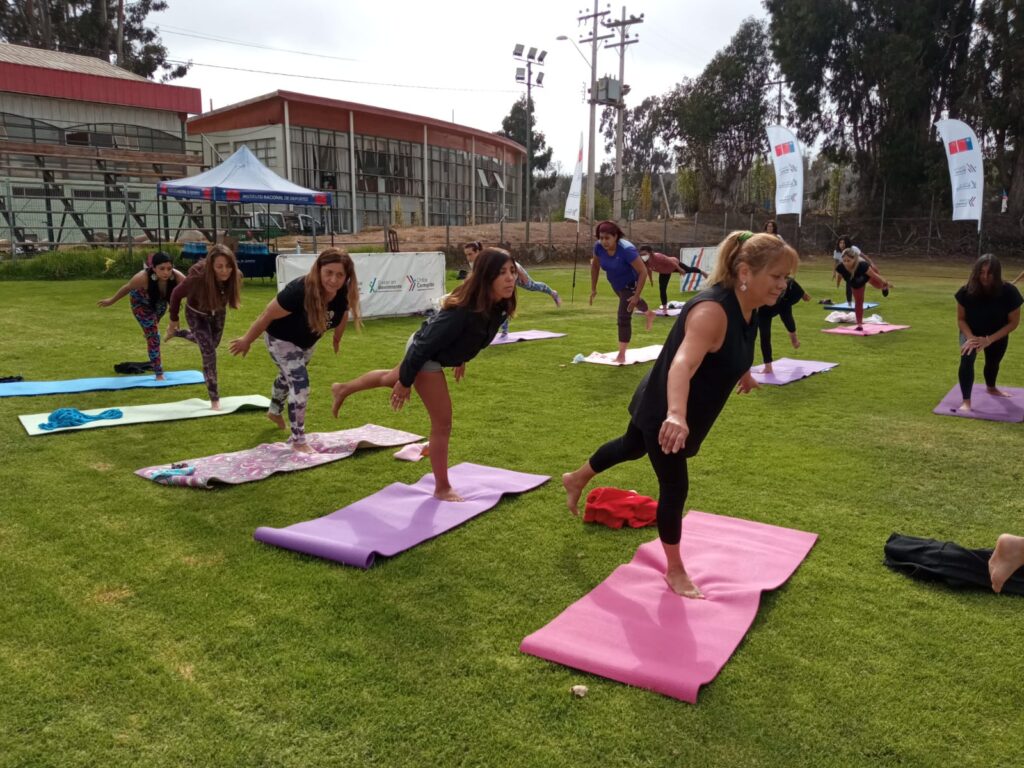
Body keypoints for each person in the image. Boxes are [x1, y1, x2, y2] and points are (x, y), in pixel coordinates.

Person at [563, 231, 798, 598]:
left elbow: (732, 347)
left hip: (662, 399)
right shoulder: (712, 311)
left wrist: (745, 373)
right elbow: (681, 365)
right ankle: (674, 570)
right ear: (745, 272)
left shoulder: (748, 307)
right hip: (666, 407)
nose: (783, 286)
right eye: (777, 277)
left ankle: (576, 478)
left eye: (787, 278)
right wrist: (675, 414)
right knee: (675, 486)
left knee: (630, 446)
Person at [331, 247, 517, 501]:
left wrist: (461, 358)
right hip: (425, 353)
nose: (510, 278)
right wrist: (406, 382)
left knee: (388, 378)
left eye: (512, 271)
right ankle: (442, 488)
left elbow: (474, 336)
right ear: (486, 277)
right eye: (502, 273)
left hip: (430, 349)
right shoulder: (462, 311)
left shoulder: (499, 304)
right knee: (443, 422)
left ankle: (342, 388)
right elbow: (424, 345)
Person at [229, 248, 361, 452]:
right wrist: (247, 339)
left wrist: (337, 338)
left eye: (340, 274)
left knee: (287, 376)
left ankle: (274, 411)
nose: (334, 279)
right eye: (329, 272)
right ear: (318, 270)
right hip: (281, 339)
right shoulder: (298, 290)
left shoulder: (342, 291)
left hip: (307, 342)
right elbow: (267, 315)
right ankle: (298, 441)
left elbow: (343, 314)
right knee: (300, 384)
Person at [166, 245, 243, 410]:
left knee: (212, 344)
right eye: (219, 267)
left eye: (228, 266)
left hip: (218, 312)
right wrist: (173, 319)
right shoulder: (197, 277)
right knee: (209, 352)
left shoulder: (235, 276)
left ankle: (178, 333)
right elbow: (176, 294)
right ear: (211, 266)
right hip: (196, 314)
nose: (225, 271)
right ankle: (214, 399)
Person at [97, 251, 186, 381]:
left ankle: (149, 332)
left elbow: (191, 289)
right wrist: (111, 300)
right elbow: (126, 288)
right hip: (140, 304)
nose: (166, 272)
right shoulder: (142, 277)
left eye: (169, 268)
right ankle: (159, 373)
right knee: (154, 336)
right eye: (161, 269)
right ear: (153, 268)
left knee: (152, 329)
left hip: (159, 303)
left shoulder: (178, 277)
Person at [954, 254, 1022, 411]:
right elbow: (961, 320)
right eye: (981, 272)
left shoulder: (1009, 292)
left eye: (990, 273)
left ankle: (991, 387)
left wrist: (989, 340)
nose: (985, 277)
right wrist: (971, 338)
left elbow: (1013, 323)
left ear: (997, 274)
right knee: (967, 358)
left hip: (997, 333)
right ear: (976, 272)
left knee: (993, 362)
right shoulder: (965, 292)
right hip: (971, 331)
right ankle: (966, 401)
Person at [590, 220, 655, 363]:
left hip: (631, 282)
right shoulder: (598, 248)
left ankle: (621, 355)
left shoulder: (627, 250)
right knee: (631, 302)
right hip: (616, 284)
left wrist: (637, 294)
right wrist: (593, 288)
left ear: (616, 237)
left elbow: (643, 271)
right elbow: (595, 266)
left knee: (623, 317)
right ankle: (649, 313)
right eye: (601, 238)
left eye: (607, 238)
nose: (604, 241)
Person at [464, 240, 558, 336]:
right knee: (500, 301)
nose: (468, 258)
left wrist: (522, 275)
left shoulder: (489, 255)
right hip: (501, 281)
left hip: (514, 273)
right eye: (466, 255)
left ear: (477, 251)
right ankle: (504, 331)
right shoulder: (473, 263)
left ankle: (552, 293)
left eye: (470, 254)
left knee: (531, 286)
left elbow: (509, 262)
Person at [757, 277, 811, 374]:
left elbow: (802, 293)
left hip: (782, 304)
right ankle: (768, 366)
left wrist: (804, 295)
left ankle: (794, 338)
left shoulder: (789, 284)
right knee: (764, 335)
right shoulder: (763, 284)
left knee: (788, 321)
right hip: (764, 310)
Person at [638, 245, 709, 310]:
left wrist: (680, 269)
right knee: (662, 288)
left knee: (688, 270)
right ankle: (665, 307)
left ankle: (702, 272)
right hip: (665, 272)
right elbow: (648, 269)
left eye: (644, 254)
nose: (643, 256)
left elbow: (672, 262)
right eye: (641, 255)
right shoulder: (644, 262)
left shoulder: (658, 257)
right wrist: (651, 279)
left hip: (674, 265)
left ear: (650, 253)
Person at [835, 248, 891, 330]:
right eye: (844, 260)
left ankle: (884, 287)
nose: (846, 263)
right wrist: (838, 283)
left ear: (854, 259)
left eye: (848, 260)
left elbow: (875, 276)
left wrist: (885, 282)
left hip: (866, 275)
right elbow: (839, 275)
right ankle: (859, 325)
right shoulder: (840, 267)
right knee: (859, 301)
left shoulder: (862, 265)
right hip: (856, 281)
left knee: (878, 286)